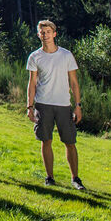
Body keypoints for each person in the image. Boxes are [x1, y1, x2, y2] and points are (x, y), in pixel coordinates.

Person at [26, 19, 84, 190]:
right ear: (38, 35)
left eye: (48, 32)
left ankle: (75, 178)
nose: (45, 35)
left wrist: (78, 105)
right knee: (46, 141)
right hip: (43, 104)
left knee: (70, 142)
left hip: (63, 105)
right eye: (42, 32)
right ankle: (50, 177)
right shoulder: (35, 57)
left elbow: (74, 83)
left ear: (54, 34)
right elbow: (32, 84)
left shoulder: (66, 55)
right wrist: (29, 106)